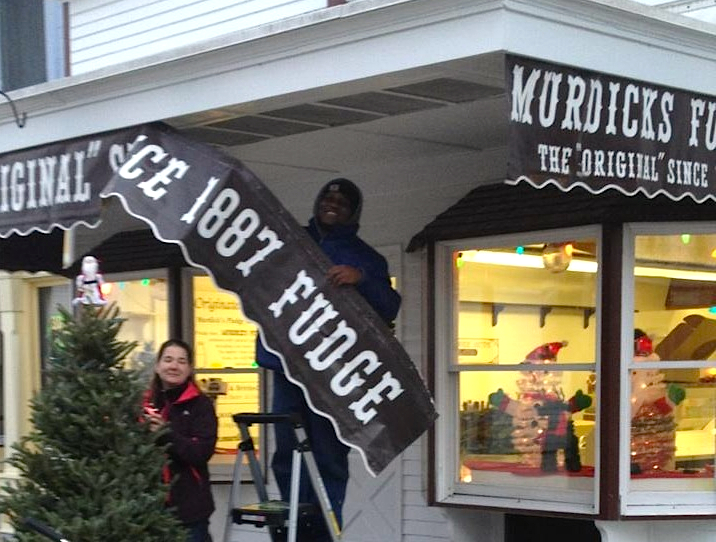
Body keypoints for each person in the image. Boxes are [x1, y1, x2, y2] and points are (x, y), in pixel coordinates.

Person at [256, 178, 401, 541]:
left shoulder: (367, 258)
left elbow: (388, 307)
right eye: (327, 197)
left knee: (329, 455)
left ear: (354, 212)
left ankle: (320, 532)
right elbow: (257, 280)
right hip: (290, 366)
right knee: (287, 451)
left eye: (342, 201)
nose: (332, 204)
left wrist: (361, 279)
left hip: (334, 373)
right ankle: (290, 528)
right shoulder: (290, 238)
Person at [144, 339, 218, 542]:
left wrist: (165, 433)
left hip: (189, 511)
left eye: (181, 361)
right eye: (168, 360)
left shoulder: (201, 406)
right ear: (158, 366)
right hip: (146, 509)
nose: (174, 366)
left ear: (189, 369)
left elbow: (201, 452)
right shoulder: (143, 403)